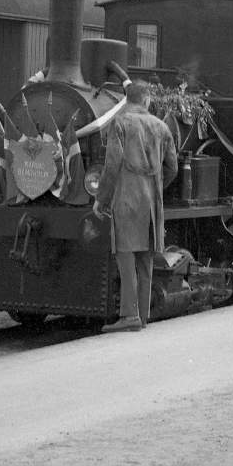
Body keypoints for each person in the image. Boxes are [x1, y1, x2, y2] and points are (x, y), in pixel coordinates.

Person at [92, 80, 179, 332]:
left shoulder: (120, 123)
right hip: (152, 200)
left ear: (126, 100)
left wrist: (102, 199)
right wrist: (156, 186)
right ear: (147, 100)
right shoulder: (162, 126)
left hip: (127, 198)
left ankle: (129, 315)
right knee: (145, 258)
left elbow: (112, 166)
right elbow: (172, 168)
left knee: (125, 254)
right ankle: (142, 316)